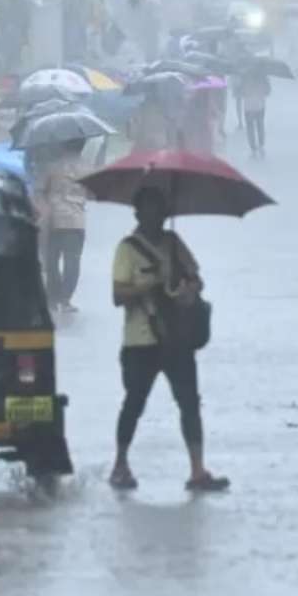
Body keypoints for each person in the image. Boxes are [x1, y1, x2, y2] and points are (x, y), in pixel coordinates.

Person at [109, 186, 228, 493]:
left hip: (177, 339)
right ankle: (120, 464)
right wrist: (149, 285)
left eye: (160, 210)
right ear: (138, 214)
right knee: (134, 403)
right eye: (149, 210)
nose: (156, 217)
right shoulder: (127, 249)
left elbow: (196, 277)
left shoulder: (174, 243)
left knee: (190, 403)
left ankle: (197, 470)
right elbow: (118, 295)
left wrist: (189, 290)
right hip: (140, 341)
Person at [39, 139, 89, 313]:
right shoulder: (88, 168)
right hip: (76, 222)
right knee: (72, 262)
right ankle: (65, 299)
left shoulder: (52, 167)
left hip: (54, 220)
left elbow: (42, 191)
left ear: (62, 145)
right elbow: (93, 193)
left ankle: (53, 299)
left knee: (52, 260)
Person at [238, 71, 271, 158]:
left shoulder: (244, 76)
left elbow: (240, 92)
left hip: (248, 106)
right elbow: (268, 91)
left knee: (250, 127)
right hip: (260, 105)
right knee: (260, 125)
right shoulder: (263, 76)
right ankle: (261, 144)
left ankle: (253, 147)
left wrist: (246, 90)